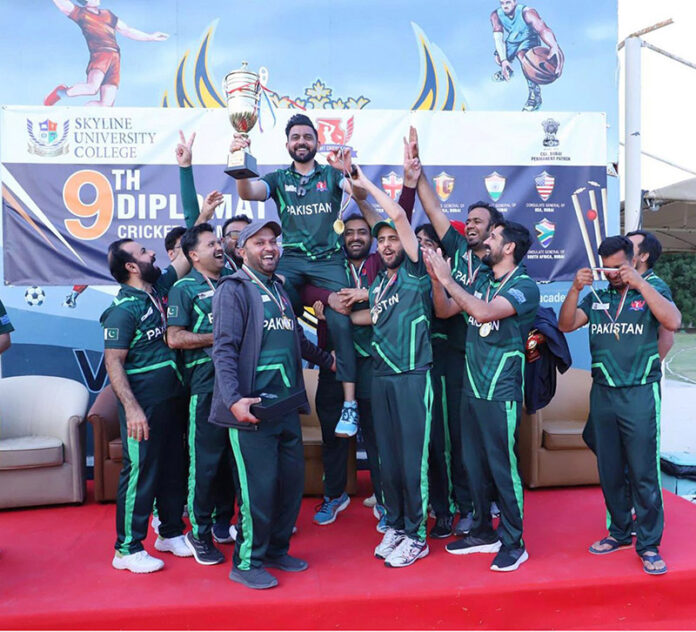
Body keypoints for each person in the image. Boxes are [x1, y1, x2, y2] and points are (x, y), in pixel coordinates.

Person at [209, 220, 336, 590]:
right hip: (253, 412)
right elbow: (224, 348)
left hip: (287, 406)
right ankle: (247, 562)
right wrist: (234, 400)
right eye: (259, 242)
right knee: (258, 492)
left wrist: (328, 361)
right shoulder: (233, 289)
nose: (269, 247)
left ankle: (277, 550)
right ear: (241, 251)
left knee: (290, 487)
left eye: (273, 242)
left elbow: (295, 338)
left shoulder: (279, 288)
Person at [558, 235, 681, 576]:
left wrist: (639, 284)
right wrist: (574, 290)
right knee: (610, 470)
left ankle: (649, 543)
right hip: (603, 391)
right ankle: (619, 532)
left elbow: (673, 322)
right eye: (605, 268)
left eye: (617, 267)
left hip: (639, 392)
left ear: (634, 260)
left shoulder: (652, 287)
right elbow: (566, 324)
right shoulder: (599, 295)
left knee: (643, 472)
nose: (611, 274)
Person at [230, 114, 358, 438]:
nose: (301, 142)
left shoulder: (331, 174)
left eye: (307, 136)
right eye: (295, 137)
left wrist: (350, 171)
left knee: (341, 319)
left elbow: (361, 194)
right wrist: (239, 162)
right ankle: (273, 385)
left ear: (317, 142)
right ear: (287, 144)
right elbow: (248, 192)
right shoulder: (278, 178)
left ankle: (349, 404)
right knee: (272, 307)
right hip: (293, 261)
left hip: (329, 260)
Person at [425, 220, 539, 572]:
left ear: (509, 247)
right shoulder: (483, 281)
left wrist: (448, 280)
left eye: (493, 237)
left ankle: (514, 542)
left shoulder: (524, 286)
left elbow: (484, 312)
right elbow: (445, 311)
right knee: (472, 465)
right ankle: (482, 531)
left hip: (500, 391)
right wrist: (436, 280)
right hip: (471, 388)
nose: (486, 241)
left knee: (501, 468)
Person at [413, 125, 505, 537]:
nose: (469, 226)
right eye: (467, 221)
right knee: (449, 437)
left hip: (488, 363)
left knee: (481, 440)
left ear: (495, 231)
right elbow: (433, 209)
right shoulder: (457, 252)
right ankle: (457, 506)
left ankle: (485, 505)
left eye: (477, 222)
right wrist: (417, 174)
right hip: (452, 358)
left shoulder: (501, 266)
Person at [348, 163, 434, 568]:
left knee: (412, 460)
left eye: (392, 239)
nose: (385, 245)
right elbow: (371, 317)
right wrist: (342, 309)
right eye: (380, 240)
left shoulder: (416, 271)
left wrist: (365, 185)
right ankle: (397, 525)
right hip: (381, 376)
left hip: (412, 376)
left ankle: (417, 536)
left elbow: (397, 215)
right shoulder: (379, 282)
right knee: (388, 460)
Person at [100, 238, 192, 573]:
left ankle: (170, 532)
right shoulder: (123, 310)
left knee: (173, 467)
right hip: (144, 405)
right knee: (141, 473)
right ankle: (126, 549)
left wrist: (204, 215)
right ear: (131, 267)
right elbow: (113, 362)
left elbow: (186, 256)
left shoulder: (158, 289)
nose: (152, 252)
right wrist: (132, 409)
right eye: (143, 252)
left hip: (173, 400)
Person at [166, 224, 237, 565]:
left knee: (232, 461)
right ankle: (200, 533)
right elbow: (175, 338)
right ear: (193, 255)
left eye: (219, 242)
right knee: (206, 464)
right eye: (211, 244)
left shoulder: (235, 282)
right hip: (206, 386)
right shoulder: (184, 288)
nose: (219, 247)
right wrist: (220, 336)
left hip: (238, 385)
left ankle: (224, 524)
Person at [45, 0, 169, 107]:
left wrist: (150, 37)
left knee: (106, 104)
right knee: (92, 88)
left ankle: (85, 113)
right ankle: (61, 93)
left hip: (115, 57)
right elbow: (63, 5)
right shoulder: (81, 13)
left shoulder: (107, 14)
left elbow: (126, 30)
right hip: (100, 54)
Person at [175, 130, 250, 270]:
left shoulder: (267, 272)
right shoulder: (217, 272)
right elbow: (194, 230)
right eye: (235, 235)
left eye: (247, 234)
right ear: (222, 241)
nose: (241, 239)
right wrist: (185, 167)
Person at [490, 0, 564, 111]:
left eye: (508, 2)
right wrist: (504, 60)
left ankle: (535, 96)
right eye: (502, 3)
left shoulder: (527, 12)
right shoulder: (496, 15)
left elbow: (543, 29)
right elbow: (498, 38)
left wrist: (553, 45)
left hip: (529, 39)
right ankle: (508, 71)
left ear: (515, 2)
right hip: (513, 40)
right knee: (498, 58)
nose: (505, 6)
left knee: (525, 60)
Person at [626, 230, 675, 360]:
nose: (622, 252)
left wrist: (647, 367)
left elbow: (667, 338)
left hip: (639, 371)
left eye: (628, 247)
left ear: (643, 256)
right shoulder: (619, 284)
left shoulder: (657, 287)